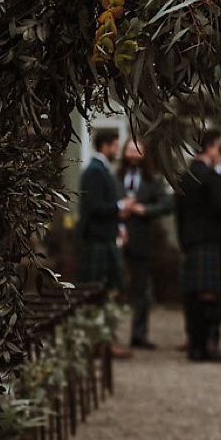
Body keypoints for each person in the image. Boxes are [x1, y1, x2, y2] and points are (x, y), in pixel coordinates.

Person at [175, 130, 221, 362]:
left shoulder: (184, 176)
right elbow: (219, 207)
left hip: (191, 243)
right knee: (210, 297)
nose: (218, 153)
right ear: (210, 147)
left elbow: (179, 215)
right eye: (218, 148)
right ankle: (207, 346)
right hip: (211, 242)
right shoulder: (211, 177)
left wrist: (184, 241)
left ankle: (195, 346)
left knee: (193, 297)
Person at [77, 129, 136, 356]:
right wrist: (122, 206)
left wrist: (119, 225)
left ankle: (104, 340)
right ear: (106, 146)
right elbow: (95, 208)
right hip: (97, 241)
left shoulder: (101, 170)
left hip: (104, 239)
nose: (117, 150)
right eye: (115, 145)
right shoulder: (94, 172)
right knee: (97, 292)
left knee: (107, 291)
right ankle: (97, 342)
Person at [118, 138, 173, 349]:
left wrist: (144, 210)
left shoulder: (153, 179)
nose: (133, 155)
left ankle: (138, 335)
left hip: (142, 241)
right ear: (124, 153)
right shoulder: (114, 177)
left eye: (137, 151)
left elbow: (167, 204)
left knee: (141, 290)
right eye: (130, 150)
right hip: (116, 239)